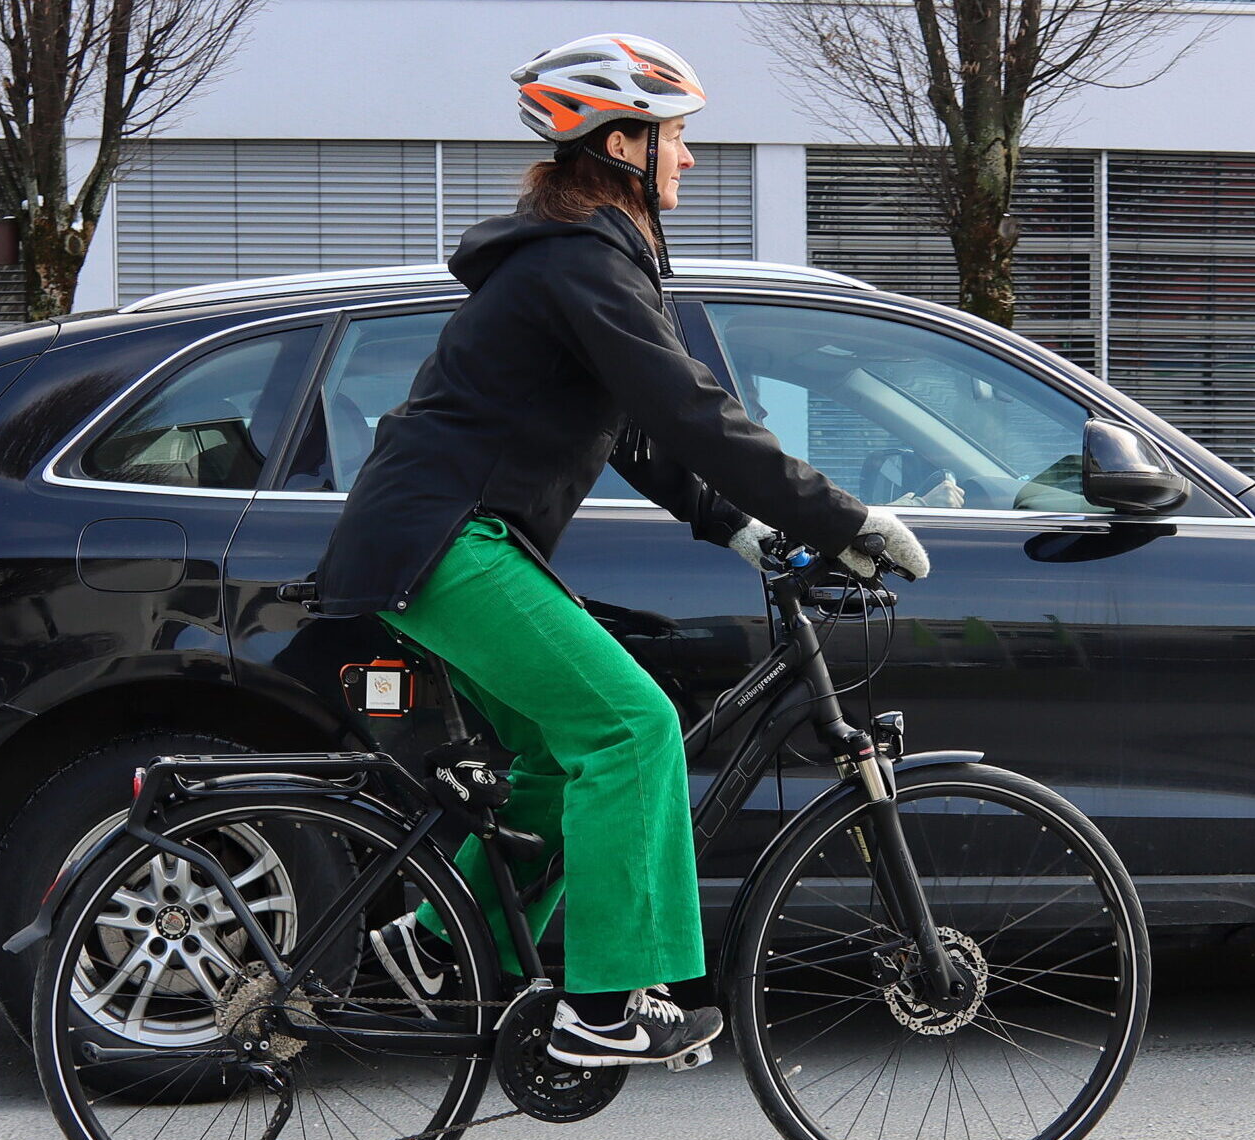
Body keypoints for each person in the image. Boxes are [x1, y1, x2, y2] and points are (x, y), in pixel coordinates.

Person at [311, 33, 930, 1068]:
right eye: (677, 136)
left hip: (438, 540)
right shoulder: (577, 263)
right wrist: (845, 521)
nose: (688, 157)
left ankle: (434, 942)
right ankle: (603, 1006)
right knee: (632, 727)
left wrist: (736, 524)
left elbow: (636, 431)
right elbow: (690, 411)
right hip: (446, 544)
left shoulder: (582, 262)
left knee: (562, 756)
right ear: (622, 140)